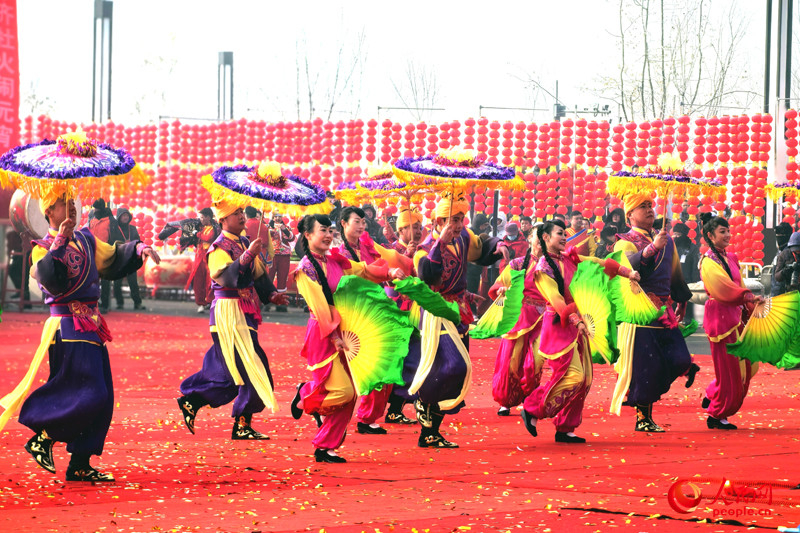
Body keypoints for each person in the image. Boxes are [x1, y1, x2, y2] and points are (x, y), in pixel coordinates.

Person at [0, 195, 159, 481]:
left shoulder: (85, 239)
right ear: (48, 211)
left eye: (71, 201)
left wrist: (138, 249)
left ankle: (80, 463)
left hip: (91, 325)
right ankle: (45, 437)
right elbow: (48, 277)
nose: (70, 206)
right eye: (63, 203)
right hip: (68, 328)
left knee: (103, 397)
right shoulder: (42, 248)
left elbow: (112, 256)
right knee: (89, 393)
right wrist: (59, 240)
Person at [290, 214, 405, 463]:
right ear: (308, 235)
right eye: (323, 230)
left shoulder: (334, 259)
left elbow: (362, 270)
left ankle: (325, 446)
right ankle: (305, 394)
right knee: (342, 392)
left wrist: (389, 274)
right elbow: (319, 306)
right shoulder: (304, 269)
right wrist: (333, 336)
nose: (329, 235)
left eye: (330, 231)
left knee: (351, 393)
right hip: (323, 335)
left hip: (346, 330)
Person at [177, 201, 288, 441]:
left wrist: (271, 294)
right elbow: (226, 277)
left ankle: (198, 404)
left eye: (241, 213)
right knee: (248, 367)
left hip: (245, 310)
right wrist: (248, 255)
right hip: (228, 312)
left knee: (238, 370)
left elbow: (258, 276)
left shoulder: (246, 242)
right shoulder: (219, 246)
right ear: (222, 220)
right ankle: (234, 420)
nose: (241, 217)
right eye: (235, 213)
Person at [519, 220, 638, 443]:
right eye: (559, 234)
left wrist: (626, 273)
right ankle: (532, 408)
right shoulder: (543, 267)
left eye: (564, 234)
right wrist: (574, 319)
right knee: (572, 375)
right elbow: (555, 300)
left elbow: (598, 263)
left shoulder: (569, 258)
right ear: (545, 238)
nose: (564, 237)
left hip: (577, 323)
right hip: (559, 325)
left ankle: (566, 427)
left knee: (585, 379)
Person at [409, 193, 509, 448]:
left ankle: (430, 431)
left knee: (451, 374)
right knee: (453, 366)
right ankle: (422, 400)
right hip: (437, 311)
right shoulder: (423, 251)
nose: (458, 225)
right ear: (438, 222)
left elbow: (482, 248)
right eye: (453, 220)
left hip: (460, 309)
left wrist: (497, 246)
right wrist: (438, 245)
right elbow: (428, 277)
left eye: (461, 219)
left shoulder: (464, 237)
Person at [610, 194, 700, 432]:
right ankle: (643, 417)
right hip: (640, 310)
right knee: (646, 367)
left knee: (680, 358)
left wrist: (682, 299)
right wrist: (651, 249)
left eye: (651, 206)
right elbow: (623, 267)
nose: (650, 210)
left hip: (665, 309)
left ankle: (654, 386)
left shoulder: (666, 239)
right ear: (630, 215)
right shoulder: (624, 241)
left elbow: (675, 273)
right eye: (643, 207)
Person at [336, 206, 414, 435]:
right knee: (345, 368)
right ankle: (321, 402)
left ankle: (368, 416)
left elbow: (383, 271)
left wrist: (394, 273)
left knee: (382, 361)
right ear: (343, 223)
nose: (361, 225)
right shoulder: (339, 253)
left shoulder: (368, 248)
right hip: (352, 315)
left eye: (363, 222)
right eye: (356, 221)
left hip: (374, 311)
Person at [698, 216, 762, 430]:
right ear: (710, 235)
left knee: (743, 366)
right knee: (730, 370)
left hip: (736, 316)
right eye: (722, 231)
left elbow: (740, 285)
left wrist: (750, 299)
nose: (727, 235)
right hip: (721, 320)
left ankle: (713, 395)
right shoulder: (708, 262)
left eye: (728, 231)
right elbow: (723, 288)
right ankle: (717, 414)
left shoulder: (731, 257)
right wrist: (746, 297)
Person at [488, 228, 545, 417]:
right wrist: (502, 289)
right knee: (511, 360)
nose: (541, 242)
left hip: (542, 318)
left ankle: (528, 397)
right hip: (518, 317)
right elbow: (498, 285)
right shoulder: (517, 264)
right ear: (530, 239)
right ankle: (505, 401)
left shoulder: (551, 266)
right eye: (539, 238)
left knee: (534, 361)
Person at [109, 207, 146, 310]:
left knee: (133, 282)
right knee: (117, 283)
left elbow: (138, 242)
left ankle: (137, 303)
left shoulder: (133, 228)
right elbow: (111, 243)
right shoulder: (114, 229)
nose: (125, 217)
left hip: (130, 259)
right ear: (119, 217)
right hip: (119, 259)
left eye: (127, 216)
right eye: (123, 216)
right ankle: (119, 303)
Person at [186, 208, 220, 313]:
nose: (200, 219)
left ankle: (209, 301)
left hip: (210, 257)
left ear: (208, 217)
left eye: (202, 217)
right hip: (199, 257)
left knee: (210, 280)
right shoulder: (200, 227)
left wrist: (197, 234)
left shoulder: (215, 228)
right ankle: (200, 302)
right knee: (198, 280)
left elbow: (208, 238)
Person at [89, 199, 117, 314]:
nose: (95, 211)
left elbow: (114, 238)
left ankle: (105, 304)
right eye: (94, 209)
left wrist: (111, 252)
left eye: (97, 209)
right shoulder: (92, 220)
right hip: (93, 252)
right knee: (93, 280)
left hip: (105, 253)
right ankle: (94, 303)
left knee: (105, 281)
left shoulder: (110, 221)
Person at [672, 222, 701, 325]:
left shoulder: (692, 248)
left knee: (687, 302)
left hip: (687, 279)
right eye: (674, 234)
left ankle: (688, 319)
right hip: (673, 279)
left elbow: (695, 265)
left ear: (684, 235)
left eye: (678, 234)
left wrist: (694, 280)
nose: (676, 236)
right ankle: (673, 319)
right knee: (673, 301)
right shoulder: (671, 246)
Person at [268, 215, 294, 312]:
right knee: (269, 277)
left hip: (284, 255)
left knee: (282, 278)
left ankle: (281, 303)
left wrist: (285, 230)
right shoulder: (269, 226)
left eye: (279, 216)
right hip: (272, 254)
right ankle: (267, 300)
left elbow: (291, 238)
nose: (277, 218)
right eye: (275, 217)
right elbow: (265, 236)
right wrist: (269, 228)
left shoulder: (286, 227)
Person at [6, 230, 31, 307]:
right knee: (17, 273)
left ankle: (23, 295)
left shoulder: (17, 234)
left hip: (26, 254)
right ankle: (22, 293)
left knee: (23, 275)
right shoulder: (13, 234)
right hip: (20, 254)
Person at [771, 222, 793, 296]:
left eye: (781, 235)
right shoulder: (779, 251)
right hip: (775, 291)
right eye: (777, 235)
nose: (778, 238)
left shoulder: (791, 253)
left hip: (786, 293)